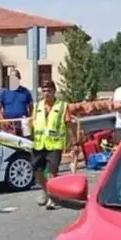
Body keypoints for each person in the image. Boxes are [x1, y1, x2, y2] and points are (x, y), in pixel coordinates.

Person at [31, 80, 73, 210]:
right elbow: (33, 123)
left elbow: (68, 124)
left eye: (49, 91)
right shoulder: (37, 106)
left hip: (54, 145)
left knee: (50, 171)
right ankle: (45, 191)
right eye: (44, 91)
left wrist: (72, 142)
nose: (46, 93)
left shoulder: (62, 106)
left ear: (54, 91)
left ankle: (52, 198)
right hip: (39, 143)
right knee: (38, 171)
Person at [0, 69, 33, 136]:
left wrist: (29, 119)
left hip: (23, 125)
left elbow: (31, 106)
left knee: (26, 143)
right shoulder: (4, 91)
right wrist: (3, 120)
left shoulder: (25, 91)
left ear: (19, 78)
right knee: (10, 143)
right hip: (9, 125)